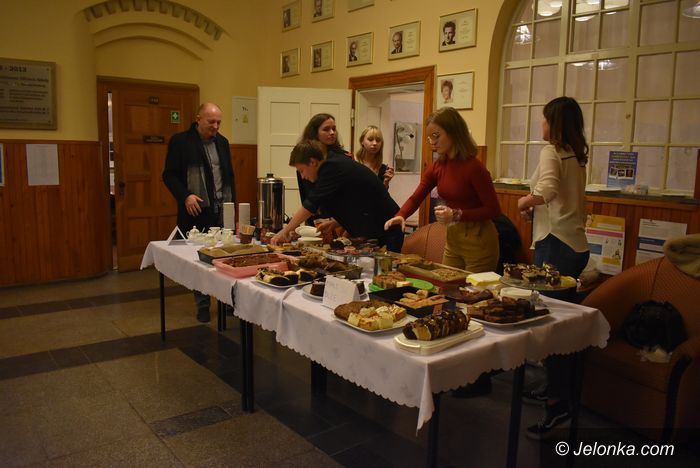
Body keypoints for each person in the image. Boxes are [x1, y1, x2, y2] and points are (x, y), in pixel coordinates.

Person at [517, 96, 591, 440]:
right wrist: (536, 209)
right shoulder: (575, 154)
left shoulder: (551, 151)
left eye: (545, 119)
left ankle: (558, 404)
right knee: (562, 323)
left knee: (552, 326)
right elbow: (560, 198)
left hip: (556, 246)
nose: (541, 124)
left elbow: (546, 190)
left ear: (555, 123)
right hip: (575, 245)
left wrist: (524, 201)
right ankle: (557, 390)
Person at [385, 107, 501, 272]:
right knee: (446, 284)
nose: (432, 142)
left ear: (454, 132)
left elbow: (494, 210)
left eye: (436, 136)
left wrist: (456, 214)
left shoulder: (474, 167)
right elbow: (416, 197)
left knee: (472, 288)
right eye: (429, 137)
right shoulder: (438, 166)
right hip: (453, 238)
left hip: (479, 240)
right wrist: (401, 215)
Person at [162, 103, 236, 323]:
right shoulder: (181, 141)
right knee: (200, 260)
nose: (216, 126)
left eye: (219, 122)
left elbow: (229, 176)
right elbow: (169, 175)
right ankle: (202, 304)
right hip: (196, 209)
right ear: (198, 119)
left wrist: (231, 207)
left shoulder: (223, 142)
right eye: (211, 121)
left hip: (221, 208)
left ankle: (227, 300)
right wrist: (185, 196)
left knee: (225, 257)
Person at [272, 141, 403, 252]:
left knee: (387, 271)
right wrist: (336, 223)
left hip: (388, 228)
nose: (302, 177)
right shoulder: (331, 165)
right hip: (378, 226)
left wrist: (284, 231)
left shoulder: (331, 168)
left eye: (302, 170)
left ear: (312, 162)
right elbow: (358, 200)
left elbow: (311, 204)